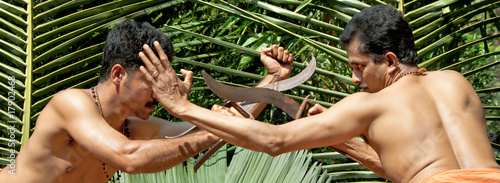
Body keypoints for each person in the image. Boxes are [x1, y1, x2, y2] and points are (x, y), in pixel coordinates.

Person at [141, 5, 500, 183]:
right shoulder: (456, 82)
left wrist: (182, 106)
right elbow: (425, 169)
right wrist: (344, 142)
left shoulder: (370, 104)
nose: (355, 79)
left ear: (389, 61)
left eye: (359, 66)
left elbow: (275, 141)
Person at [0, 21, 296, 183]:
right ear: (118, 74)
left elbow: (217, 132)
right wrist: (212, 130)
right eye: (153, 79)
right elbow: (130, 158)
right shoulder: (71, 104)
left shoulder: (133, 128)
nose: (162, 88)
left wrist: (274, 82)